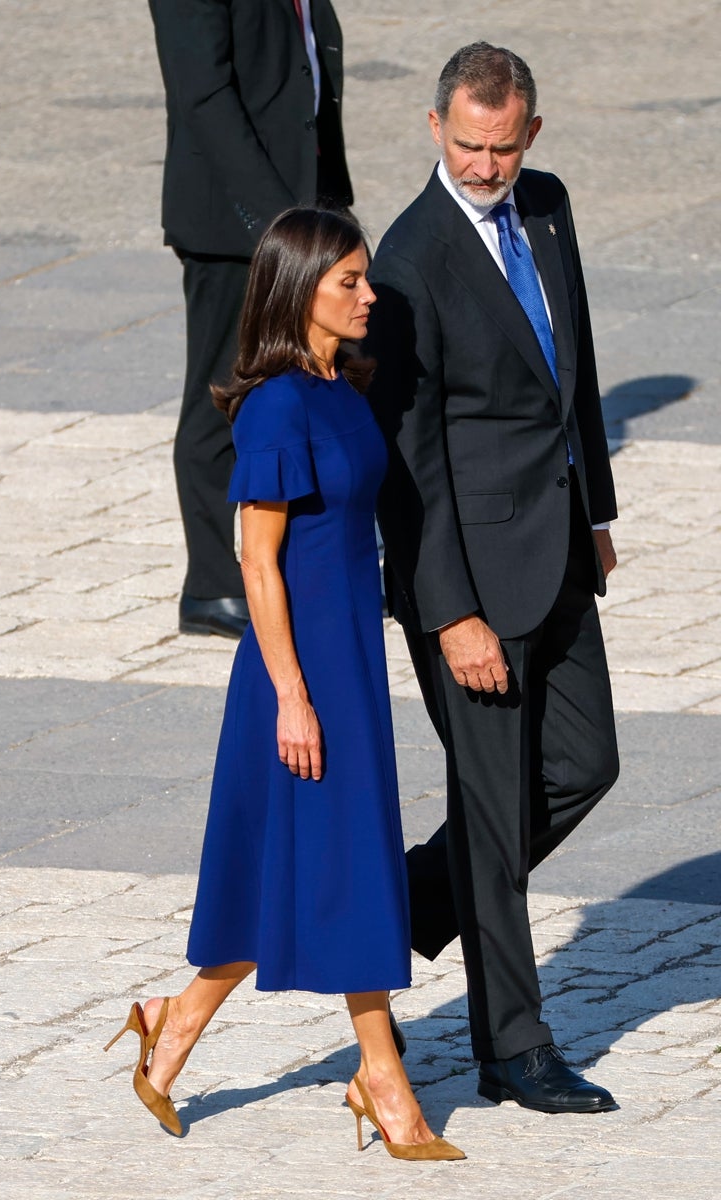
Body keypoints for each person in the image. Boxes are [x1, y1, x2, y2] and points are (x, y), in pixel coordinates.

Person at [106, 209, 464, 1161]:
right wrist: (294, 695)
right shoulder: (275, 406)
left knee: (295, 870)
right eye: (348, 280)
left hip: (345, 657)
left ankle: (171, 1025)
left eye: (364, 278)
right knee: (343, 861)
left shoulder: (342, 384)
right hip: (295, 673)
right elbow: (256, 565)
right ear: (297, 286)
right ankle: (383, 1078)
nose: (367, 295)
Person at [365, 43, 621, 1114]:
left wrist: (596, 508)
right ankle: (512, 1050)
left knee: (583, 765)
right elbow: (408, 461)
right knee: (491, 795)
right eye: (467, 145)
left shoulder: (547, 206)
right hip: (466, 577)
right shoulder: (410, 262)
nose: (483, 166)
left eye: (502, 148)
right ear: (435, 130)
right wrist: (451, 612)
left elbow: (578, 367)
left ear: (533, 136)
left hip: (556, 545)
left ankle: (406, 904)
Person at [147, 0, 353, 638]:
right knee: (222, 392)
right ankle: (212, 585)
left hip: (298, 203)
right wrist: (276, 222)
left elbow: (306, 62)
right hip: (236, 222)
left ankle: (308, 561)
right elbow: (204, 95)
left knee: (302, 382)